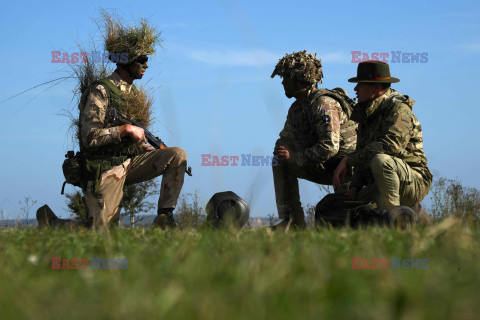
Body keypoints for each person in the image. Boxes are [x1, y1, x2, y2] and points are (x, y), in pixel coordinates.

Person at [38, 15, 187, 229]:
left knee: (177, 155)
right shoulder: (101, 90)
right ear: (126, 62)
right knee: (102, 233)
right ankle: (52, 224)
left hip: (129, 162)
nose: (146, 65)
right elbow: (89, 138)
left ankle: (164, 218)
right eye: (141, 60)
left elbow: (134, 141)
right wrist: (125, 130)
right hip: (104, 168)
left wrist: (144, 145)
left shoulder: (134, 94)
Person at [333, 60, 432, 221]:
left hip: (414, 180)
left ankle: (395, 220)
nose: (355, 89)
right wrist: (355, 186)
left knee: (382, 160)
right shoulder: (367, 113)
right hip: (383, 181)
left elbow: (390, 147)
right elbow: (362, 154)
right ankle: (422, 223)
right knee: (345, 207)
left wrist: (347, 160)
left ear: (377, 87)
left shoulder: (399, 109)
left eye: (360, 84)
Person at [270, 51, 358, 229]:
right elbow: (285, 138)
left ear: (300, 79)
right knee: (280, 161)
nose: (283, 82)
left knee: (345, 218)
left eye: (287, 77)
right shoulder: (296, 109)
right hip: (326, 166)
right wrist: (283, 150)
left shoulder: (324, 104)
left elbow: (330, 147)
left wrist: (295, 158)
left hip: (348, 168)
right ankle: (292, 221)